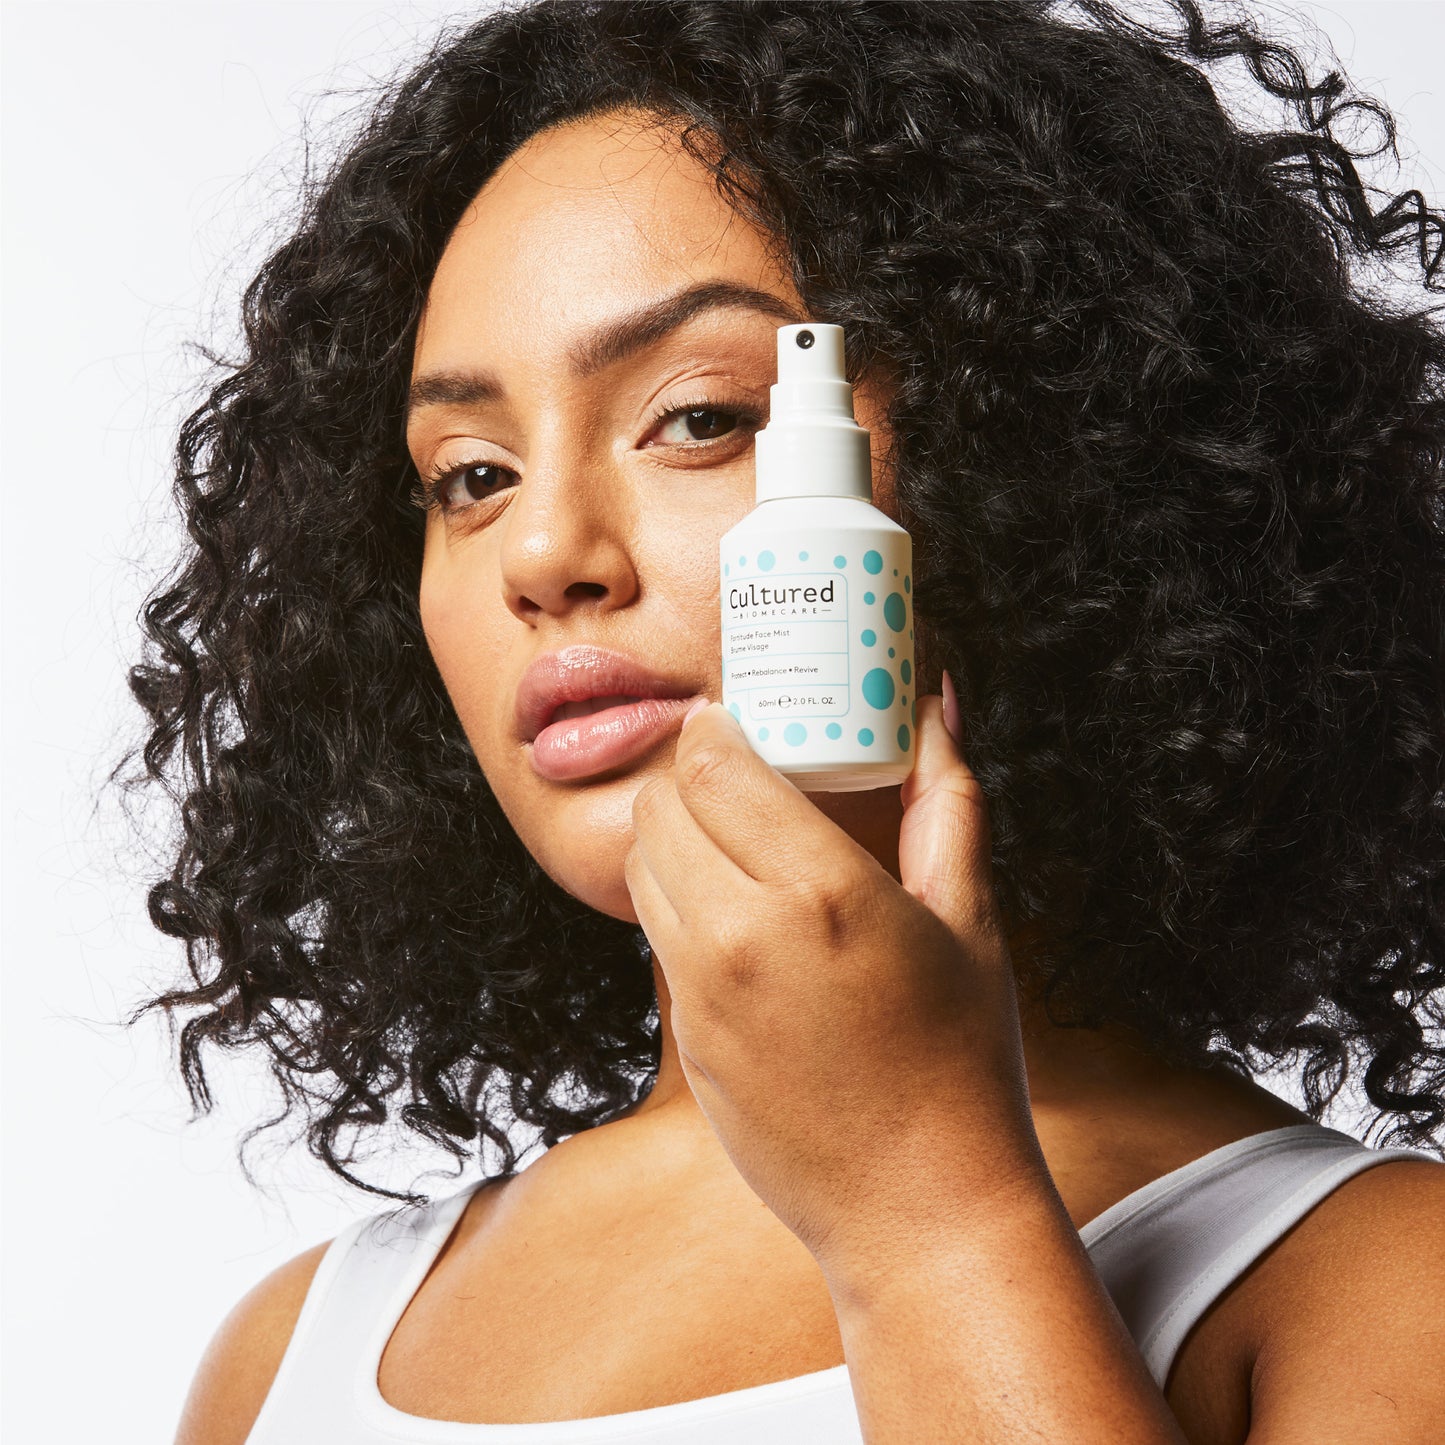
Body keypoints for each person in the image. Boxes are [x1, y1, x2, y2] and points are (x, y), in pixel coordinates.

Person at [118, 1, 1445, 1440]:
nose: (542, 551)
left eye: (698, 417)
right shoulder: (295, 1353)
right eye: (470, 473)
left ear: (1059, 456)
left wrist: (925, 1211)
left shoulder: (1368, 1278)